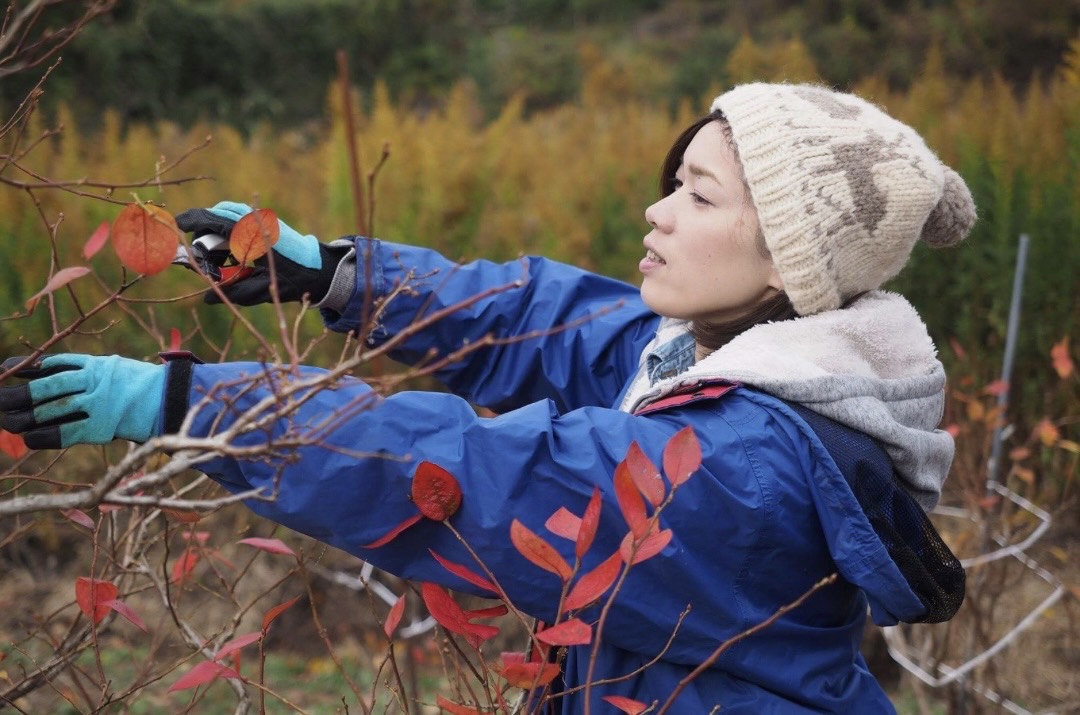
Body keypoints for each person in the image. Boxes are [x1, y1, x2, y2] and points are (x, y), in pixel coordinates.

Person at [0, 83, 973, 712]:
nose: (657, 211)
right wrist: (335, 273)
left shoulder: (740, 466)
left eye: (700, 196)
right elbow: (540, 321)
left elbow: (472, 473)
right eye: (673, 183)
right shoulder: (724, 357)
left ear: (793, 262)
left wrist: (185, 402)